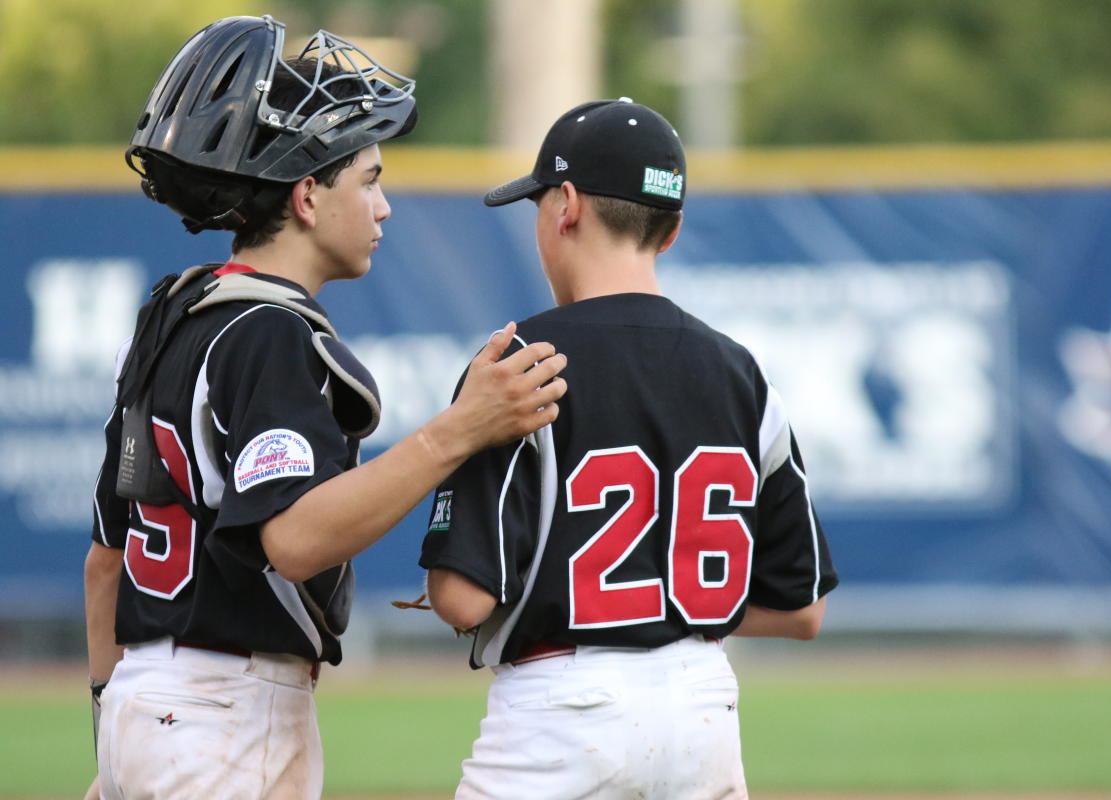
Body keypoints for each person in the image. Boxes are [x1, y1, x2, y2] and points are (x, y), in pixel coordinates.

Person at [83, 15, 566, 800]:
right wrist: (460, 428)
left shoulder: (171, 318)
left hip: (150, 701)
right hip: (224, 713)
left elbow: (106, 562)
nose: (384, 207)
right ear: (307, 195)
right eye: (369, 179)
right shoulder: (271, 331)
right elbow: (296, 539)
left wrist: (112, 734)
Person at [419, 98, 838, 799]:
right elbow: (801, 609)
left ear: (567, 206)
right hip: (705, 707)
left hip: (563, 714)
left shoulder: (520, 364)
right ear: (668, 232)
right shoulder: (741, 372)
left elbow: (463, 599)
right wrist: (666, 599)